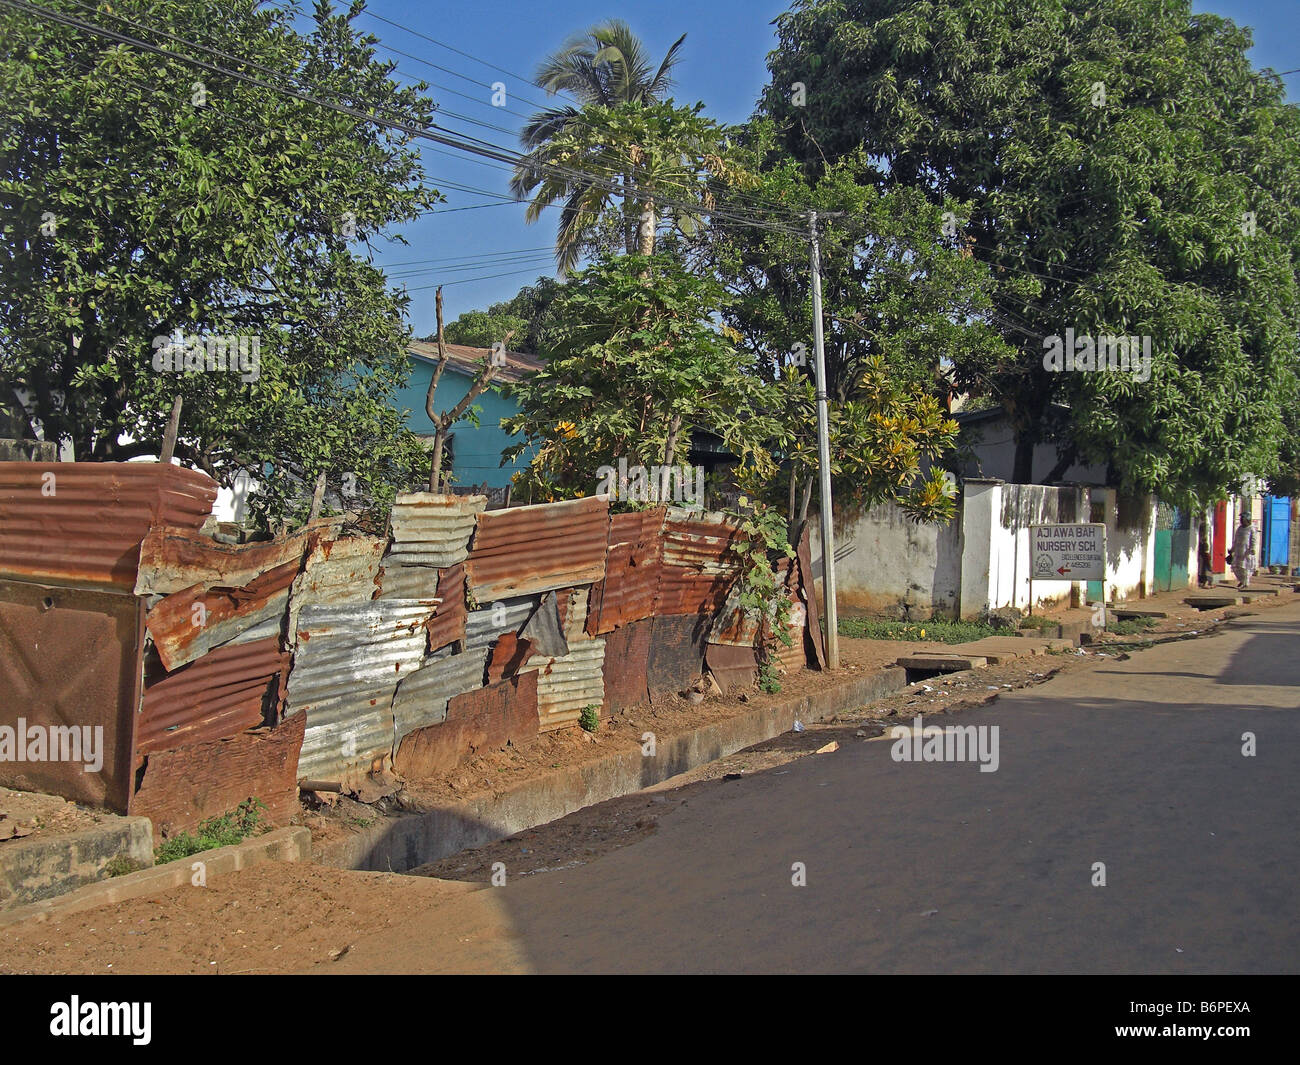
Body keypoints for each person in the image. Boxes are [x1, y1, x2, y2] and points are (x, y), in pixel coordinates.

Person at [1230, 511, 1258, 589]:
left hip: (1246, 552)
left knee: (1245, 568)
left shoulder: (1251, 528)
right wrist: (1232, 549)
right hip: (1238, 551)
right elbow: (1235, 540)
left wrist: (1252, 549)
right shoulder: (1239, 528)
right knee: (1236, 567)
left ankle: (1245, 583)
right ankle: (1242, 580)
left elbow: (1253, 540)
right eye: (1241, 519)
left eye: (1243, 518)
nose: (1241, 520)